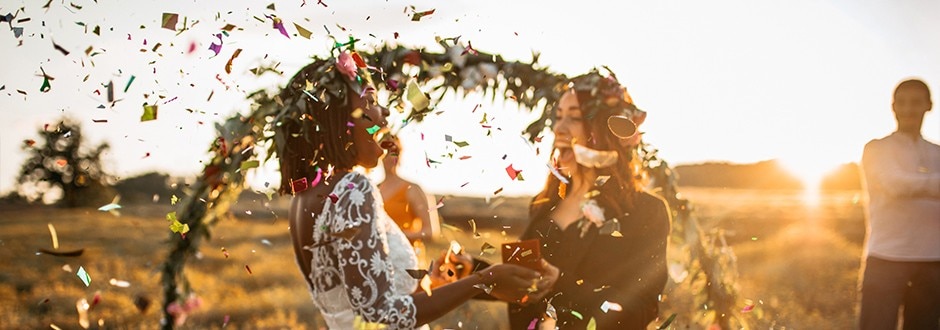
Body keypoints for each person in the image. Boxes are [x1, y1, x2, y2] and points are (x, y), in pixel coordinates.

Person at [275, 55, 559, 329]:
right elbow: (381, 315)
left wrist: (435, 288)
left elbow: (363, 309)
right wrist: (484, 278)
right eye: (372, 101)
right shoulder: (353, 189)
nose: (384, 111)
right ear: (337, 117)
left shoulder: (304, 200)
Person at [508, 72, 671, 329]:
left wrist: (561, 284)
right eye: (559, 116)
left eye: (574, 117)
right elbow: (520, 280)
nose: (559, 128)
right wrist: (472, 273)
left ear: (607, 129)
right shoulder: (543, 204)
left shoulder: (646, 212)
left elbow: (641, 309)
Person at [858, 78, 940, 330]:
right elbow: (893, 184)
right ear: (893, 107)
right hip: (886, 259)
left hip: (933, 261)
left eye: (916, 103)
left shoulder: (938, 152)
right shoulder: (876, 149)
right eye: (902, 103)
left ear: (929, 106)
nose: (908, 109)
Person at [379, 134, 440, 245]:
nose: (388, 157)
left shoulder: (412, 189)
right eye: (385, 152)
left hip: (407, 256)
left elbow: (431, 231)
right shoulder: (374, 189)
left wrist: (398, 235)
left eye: (393, 152)